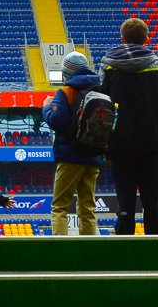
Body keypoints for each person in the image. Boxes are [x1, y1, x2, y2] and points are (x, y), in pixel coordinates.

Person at [99, 17, 158, 236]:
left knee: (125, 203)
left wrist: (104, 145)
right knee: (152, 203)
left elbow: (102, 108)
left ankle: (124, 250)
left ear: (122, 38)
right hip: (154, 146)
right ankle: (156, 251)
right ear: (146, 39)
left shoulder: (108, 65)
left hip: (120, 145)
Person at [42, 51, 109, 236]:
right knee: (88, 208)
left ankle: (61, 249)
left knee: (59, 206)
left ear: (66, 72)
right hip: (93, 155)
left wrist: (47, 107)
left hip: (70, 156)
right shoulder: (101, 89)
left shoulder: (66, 91)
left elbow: (57, 121)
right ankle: (89, 250)